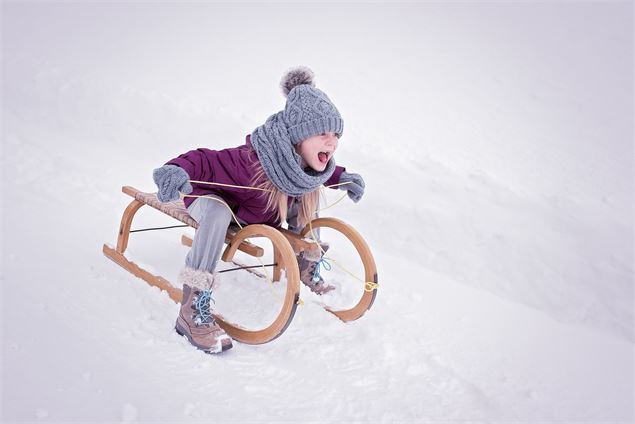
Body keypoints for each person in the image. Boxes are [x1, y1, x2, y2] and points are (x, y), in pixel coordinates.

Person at [152, 66, 365, 354]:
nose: (333, 141)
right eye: (323, 132)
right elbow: (205, 160)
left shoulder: (299, 165)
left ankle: (305, 263)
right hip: (210, 198)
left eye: (336, 134)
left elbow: (321, 172)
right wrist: (175, 170)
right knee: (217, 212)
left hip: (255, 210)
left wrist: (343, 177)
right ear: (298, 137)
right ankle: (191, 309)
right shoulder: (251, 163)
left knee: (306, 194)